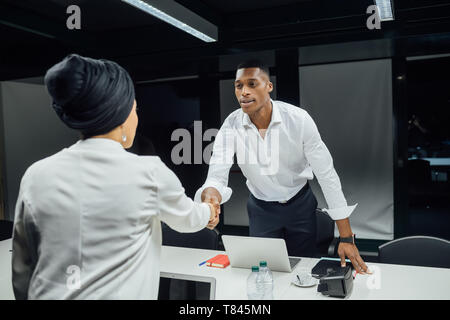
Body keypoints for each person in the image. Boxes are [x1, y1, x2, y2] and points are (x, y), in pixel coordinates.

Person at [11, 54, 220, 300]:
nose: (136, 118)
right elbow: (189, 219)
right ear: (120, 114)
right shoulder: (149, 173)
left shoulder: (36, 175)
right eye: (135, 109)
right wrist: (209, 210)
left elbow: (23, 268)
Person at [195, 60, 370, 273]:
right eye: (239, 85)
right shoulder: (231, 124)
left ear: (269, 86)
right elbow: (217, 172)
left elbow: (327, 176)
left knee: (304, 271)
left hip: (300, 205)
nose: (244, 92)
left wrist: (346, 237)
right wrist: (211, 197)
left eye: (252, 84)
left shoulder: (298, 120)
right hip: (262, 210)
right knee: (263, 273)